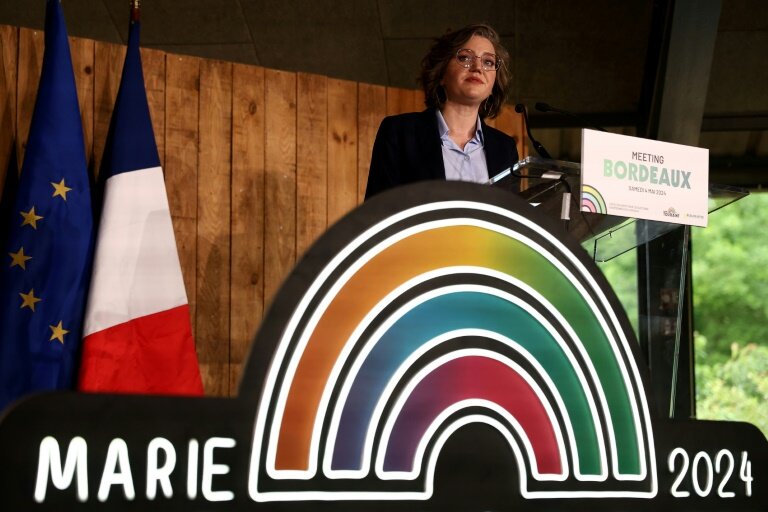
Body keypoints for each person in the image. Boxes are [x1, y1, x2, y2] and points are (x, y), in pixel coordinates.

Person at [365, 23, 520, 200]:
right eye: (465, 58)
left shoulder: (505, 148)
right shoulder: (400, 132)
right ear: (441, 74)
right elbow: (377, 214)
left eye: (488, 62)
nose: (478, 67)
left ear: (494, 84)